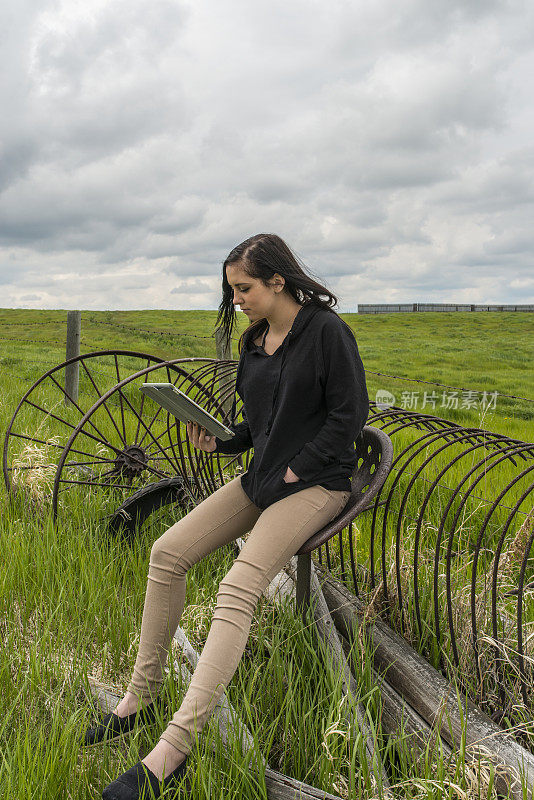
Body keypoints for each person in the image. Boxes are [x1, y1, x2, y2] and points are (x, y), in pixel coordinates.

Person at [88, 233, 369, 800]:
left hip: (319, 482)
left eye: (244, 288)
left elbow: (349, 415)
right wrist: (224, 441)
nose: (236, 298)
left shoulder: (327, 332)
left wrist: (295, 471)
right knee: (167, 552)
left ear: (277, 281)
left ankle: (174, 748)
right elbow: (259, 423)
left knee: (239, 586)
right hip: (264, 476)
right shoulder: (256, 341)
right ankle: (139, 699)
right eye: (231, 289)